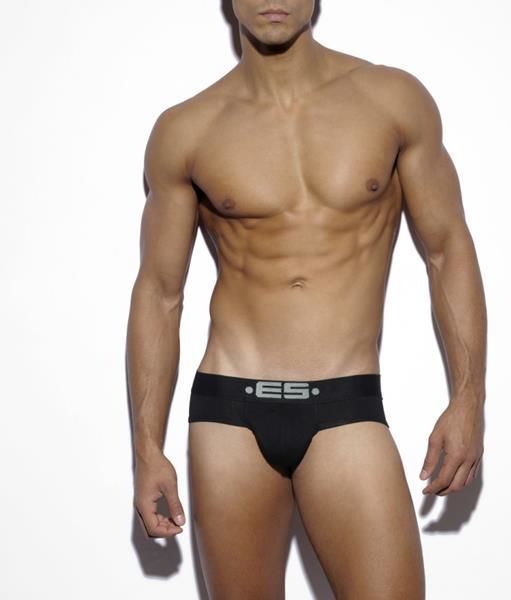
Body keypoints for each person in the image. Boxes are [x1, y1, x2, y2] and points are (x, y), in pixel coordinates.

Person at [126, 1, 487, 598]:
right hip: (229, 414)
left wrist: (468, 399)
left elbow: (448, 250)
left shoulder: (391, 100)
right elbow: (160, 293)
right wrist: (146, 449)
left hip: (346, 403)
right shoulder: (187, 129)